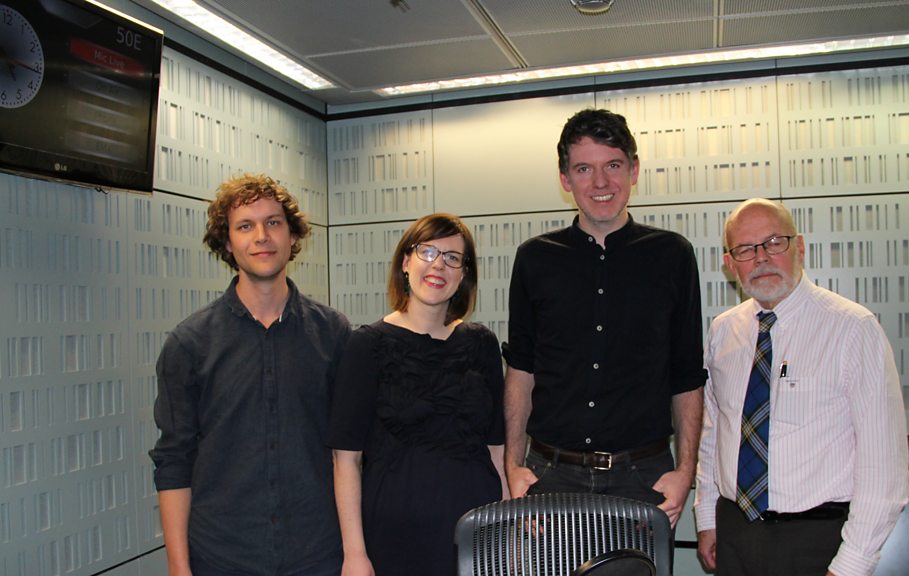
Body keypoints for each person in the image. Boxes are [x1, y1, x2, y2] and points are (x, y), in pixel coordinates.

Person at [503, 108, 706, 527]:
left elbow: (686, 374)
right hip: (550, 476)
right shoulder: (534, 259)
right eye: (584, 169)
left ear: (634, 170)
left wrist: (685, 471)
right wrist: (513, 465)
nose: (600, 183)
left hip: (642, 479)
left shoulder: (672, 256)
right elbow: (521, 370)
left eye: (612, 165)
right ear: (565, 179)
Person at [695, 198, 909, 576]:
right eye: (745, 249)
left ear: (800, 247)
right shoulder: (723, 331)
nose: (762, 257)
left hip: (817, 540)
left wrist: (851, 565)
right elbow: (714, 432)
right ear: (730, 263)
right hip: (735, 532)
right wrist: (708, 518)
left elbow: (884, 467)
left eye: (774, 242)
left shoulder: (852, 329)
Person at [150, 174, 350, 576]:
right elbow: (174, 461)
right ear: (227, 242)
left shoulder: (334, 334)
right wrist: (178, 567)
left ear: (292, 236)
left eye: (273, 222)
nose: (262, 236)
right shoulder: (189, 344)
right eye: (245, 226)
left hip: (317, 554)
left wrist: (355, 552)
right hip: (222, 556)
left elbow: (349, 453)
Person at [329, 213, 507, 576]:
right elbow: (345, 459)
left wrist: (509, 529)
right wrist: (355, 554)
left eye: (452, 258)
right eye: (427, 252)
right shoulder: (367, 345)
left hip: (477, 533)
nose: (438, 265)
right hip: (395, 536)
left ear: (463, 275)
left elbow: (496, 449)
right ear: (405, 262)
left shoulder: (482, 343)